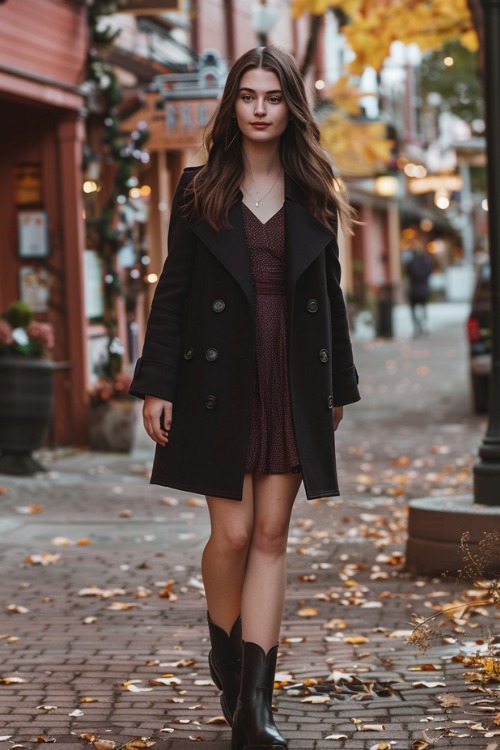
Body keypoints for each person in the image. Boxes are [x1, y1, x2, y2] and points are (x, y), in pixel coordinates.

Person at [129, 45, 360, 750]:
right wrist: (156, 383)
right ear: (233, 105)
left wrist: (338, 386)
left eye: (274, 97)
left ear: (291, 106)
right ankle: (226, 657)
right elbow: (172, 296)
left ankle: (255, 708)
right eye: (249, 96)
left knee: (270, 535)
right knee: (230, 535)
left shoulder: (315, 188)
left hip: (291, 378)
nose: (260, 110)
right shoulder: (200, 188)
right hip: (215, 383)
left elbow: (331, 297)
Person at [405, 244, 433, 337]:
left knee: (413, 310)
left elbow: (407, 271)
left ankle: (416, 327)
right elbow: (429, 271)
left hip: (414, 289)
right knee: (423, 308)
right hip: (424, 289)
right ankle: (424, 325)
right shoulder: (426, 261)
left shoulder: (411, 262)